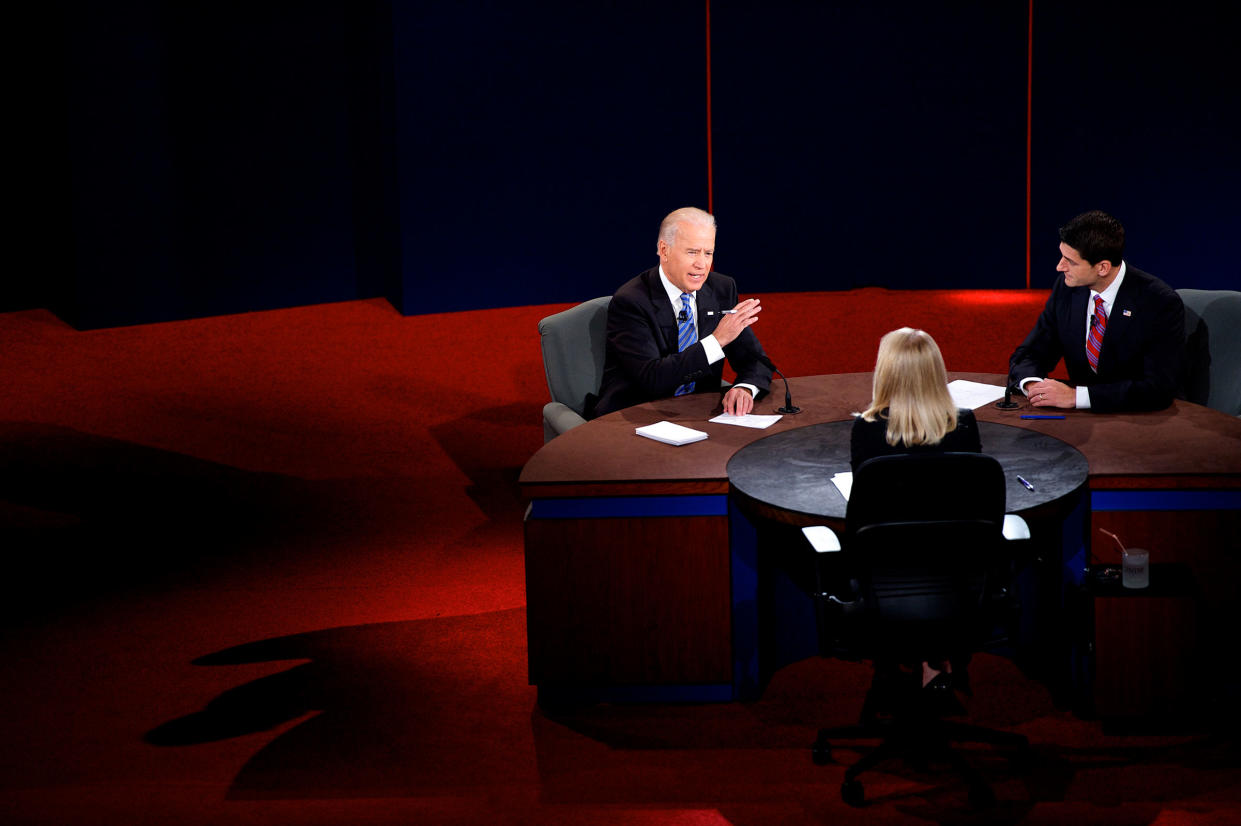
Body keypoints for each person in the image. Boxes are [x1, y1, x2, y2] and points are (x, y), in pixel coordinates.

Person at [851, 327, 981, 691]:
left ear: (885, 373)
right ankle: (936, 658)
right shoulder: (964, 425)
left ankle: (916, 661)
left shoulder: (867, 430)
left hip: (886, 579)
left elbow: (861, 514)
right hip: (957, 575)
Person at [588, 207, 772, 419]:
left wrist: (745, 388)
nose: (702, 264)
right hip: (637, 415)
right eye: (692, 252)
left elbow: (756, 361)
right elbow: (653, 378)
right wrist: (716, 341)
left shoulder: (721, 289)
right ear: (664, 250)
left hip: (698, 414)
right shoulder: (631, 301)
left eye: (708, 253)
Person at [1008, 210, 1185, 412]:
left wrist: (1077, 397)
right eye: (1061, 256)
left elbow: (1158, 389)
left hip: (1140, 420)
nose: (1059, 266)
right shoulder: (1067, 288)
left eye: (1070, 261)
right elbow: (1030, 353)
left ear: (1102, 267)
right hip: (1080, 421)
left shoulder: (1159, 303)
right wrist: (1033, 385)